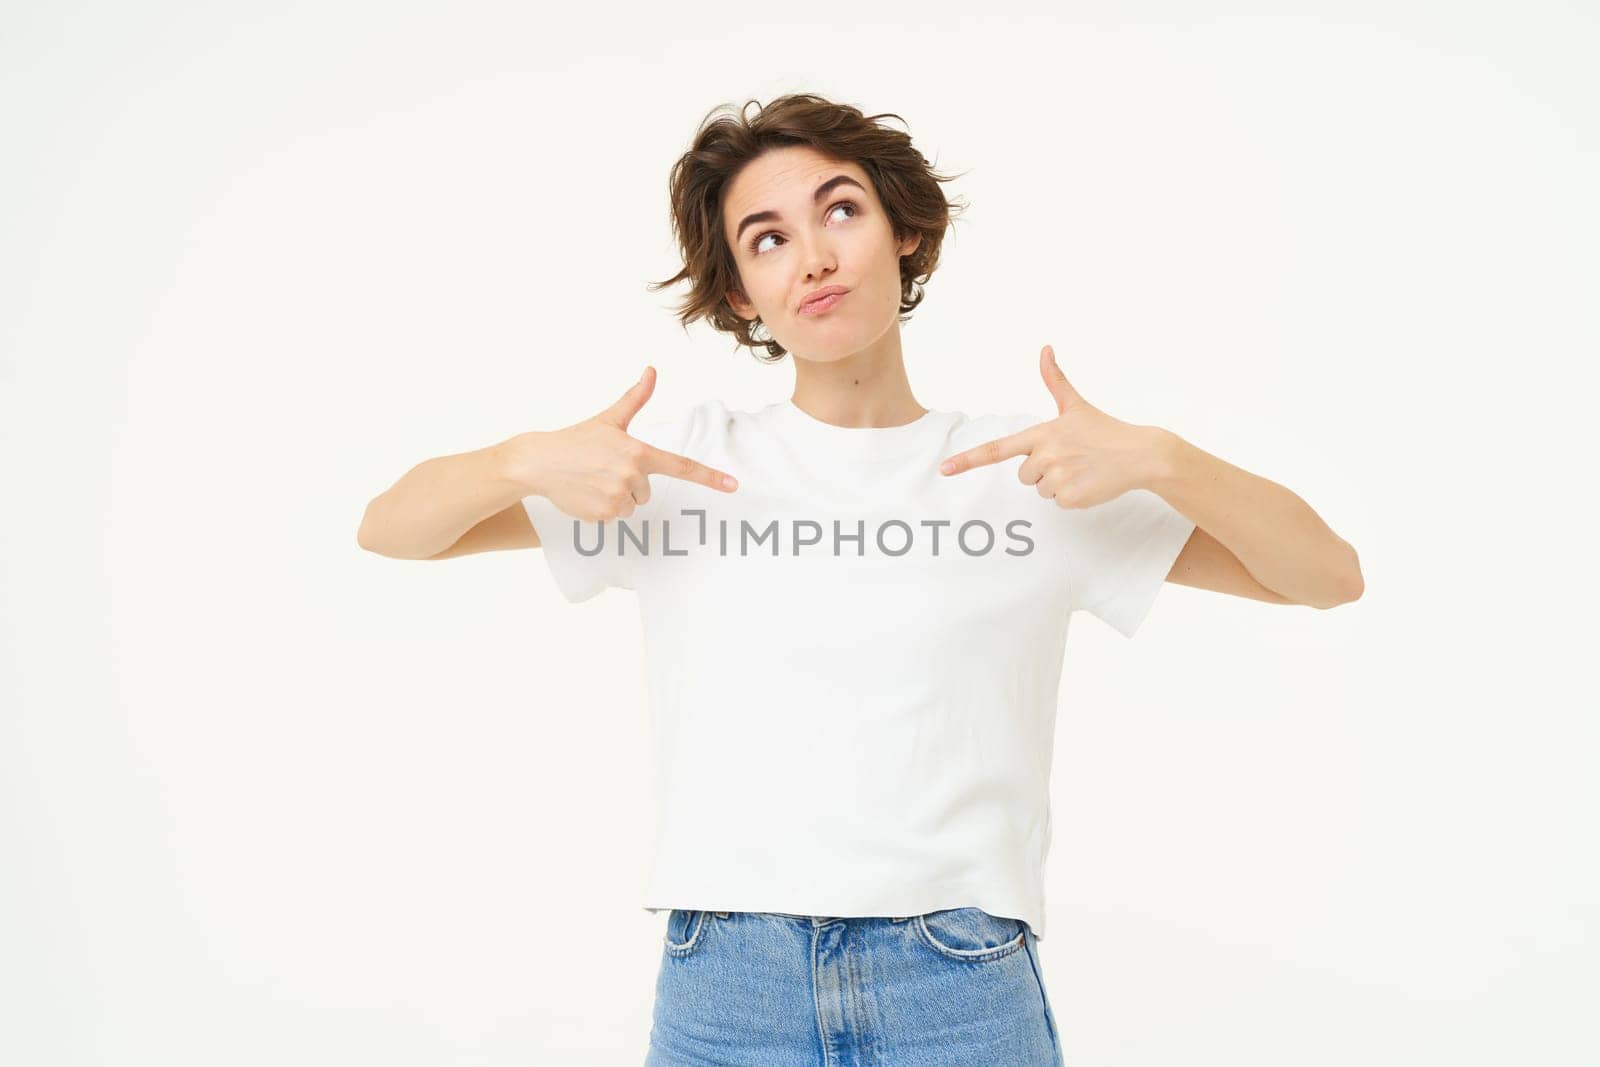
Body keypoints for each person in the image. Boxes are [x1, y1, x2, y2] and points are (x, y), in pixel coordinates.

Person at [357, 92, 1364, 1066]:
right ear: (742, 294)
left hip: (956, 985)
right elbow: (392, 528)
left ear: (906, 232)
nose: (815, 255)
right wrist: (522, 460)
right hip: (726, 987)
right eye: (767, 237)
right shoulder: (676, 469)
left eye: (840, 209)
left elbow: (1323, 574)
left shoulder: (1032, 472)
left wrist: (1161, 457)